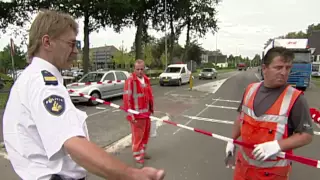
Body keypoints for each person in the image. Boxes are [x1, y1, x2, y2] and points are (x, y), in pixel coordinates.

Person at [2, 10, 165, 180]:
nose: (76, 51)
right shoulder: (44, 84)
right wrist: (131, 175)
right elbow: (74, 144)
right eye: (71, 44)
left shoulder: (31, 78)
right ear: (47, 42)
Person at [225, 47, 314, 180]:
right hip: (243, 168)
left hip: (272, 173)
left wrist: (278, 146)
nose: (284, 72)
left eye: (288, 68)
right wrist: (232, 140)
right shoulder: (250, 89)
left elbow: (306, 135)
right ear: (264, 68)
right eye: (278, 67)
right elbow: (241, 118)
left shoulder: (296, 99)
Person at [123, 59, 154, 169]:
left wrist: (151, 109)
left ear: (144, 68)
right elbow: (127, 99)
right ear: (134, 69)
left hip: (146, 114)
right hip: (137, 116)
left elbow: (149, 96)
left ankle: (143, 152)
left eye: (142, 69)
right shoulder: (130, 81)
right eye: (137, 69)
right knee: (137, 138)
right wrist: (130, 115)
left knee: (145, 135)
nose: (140, 71)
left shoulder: (146, 79)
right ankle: (138, 158)